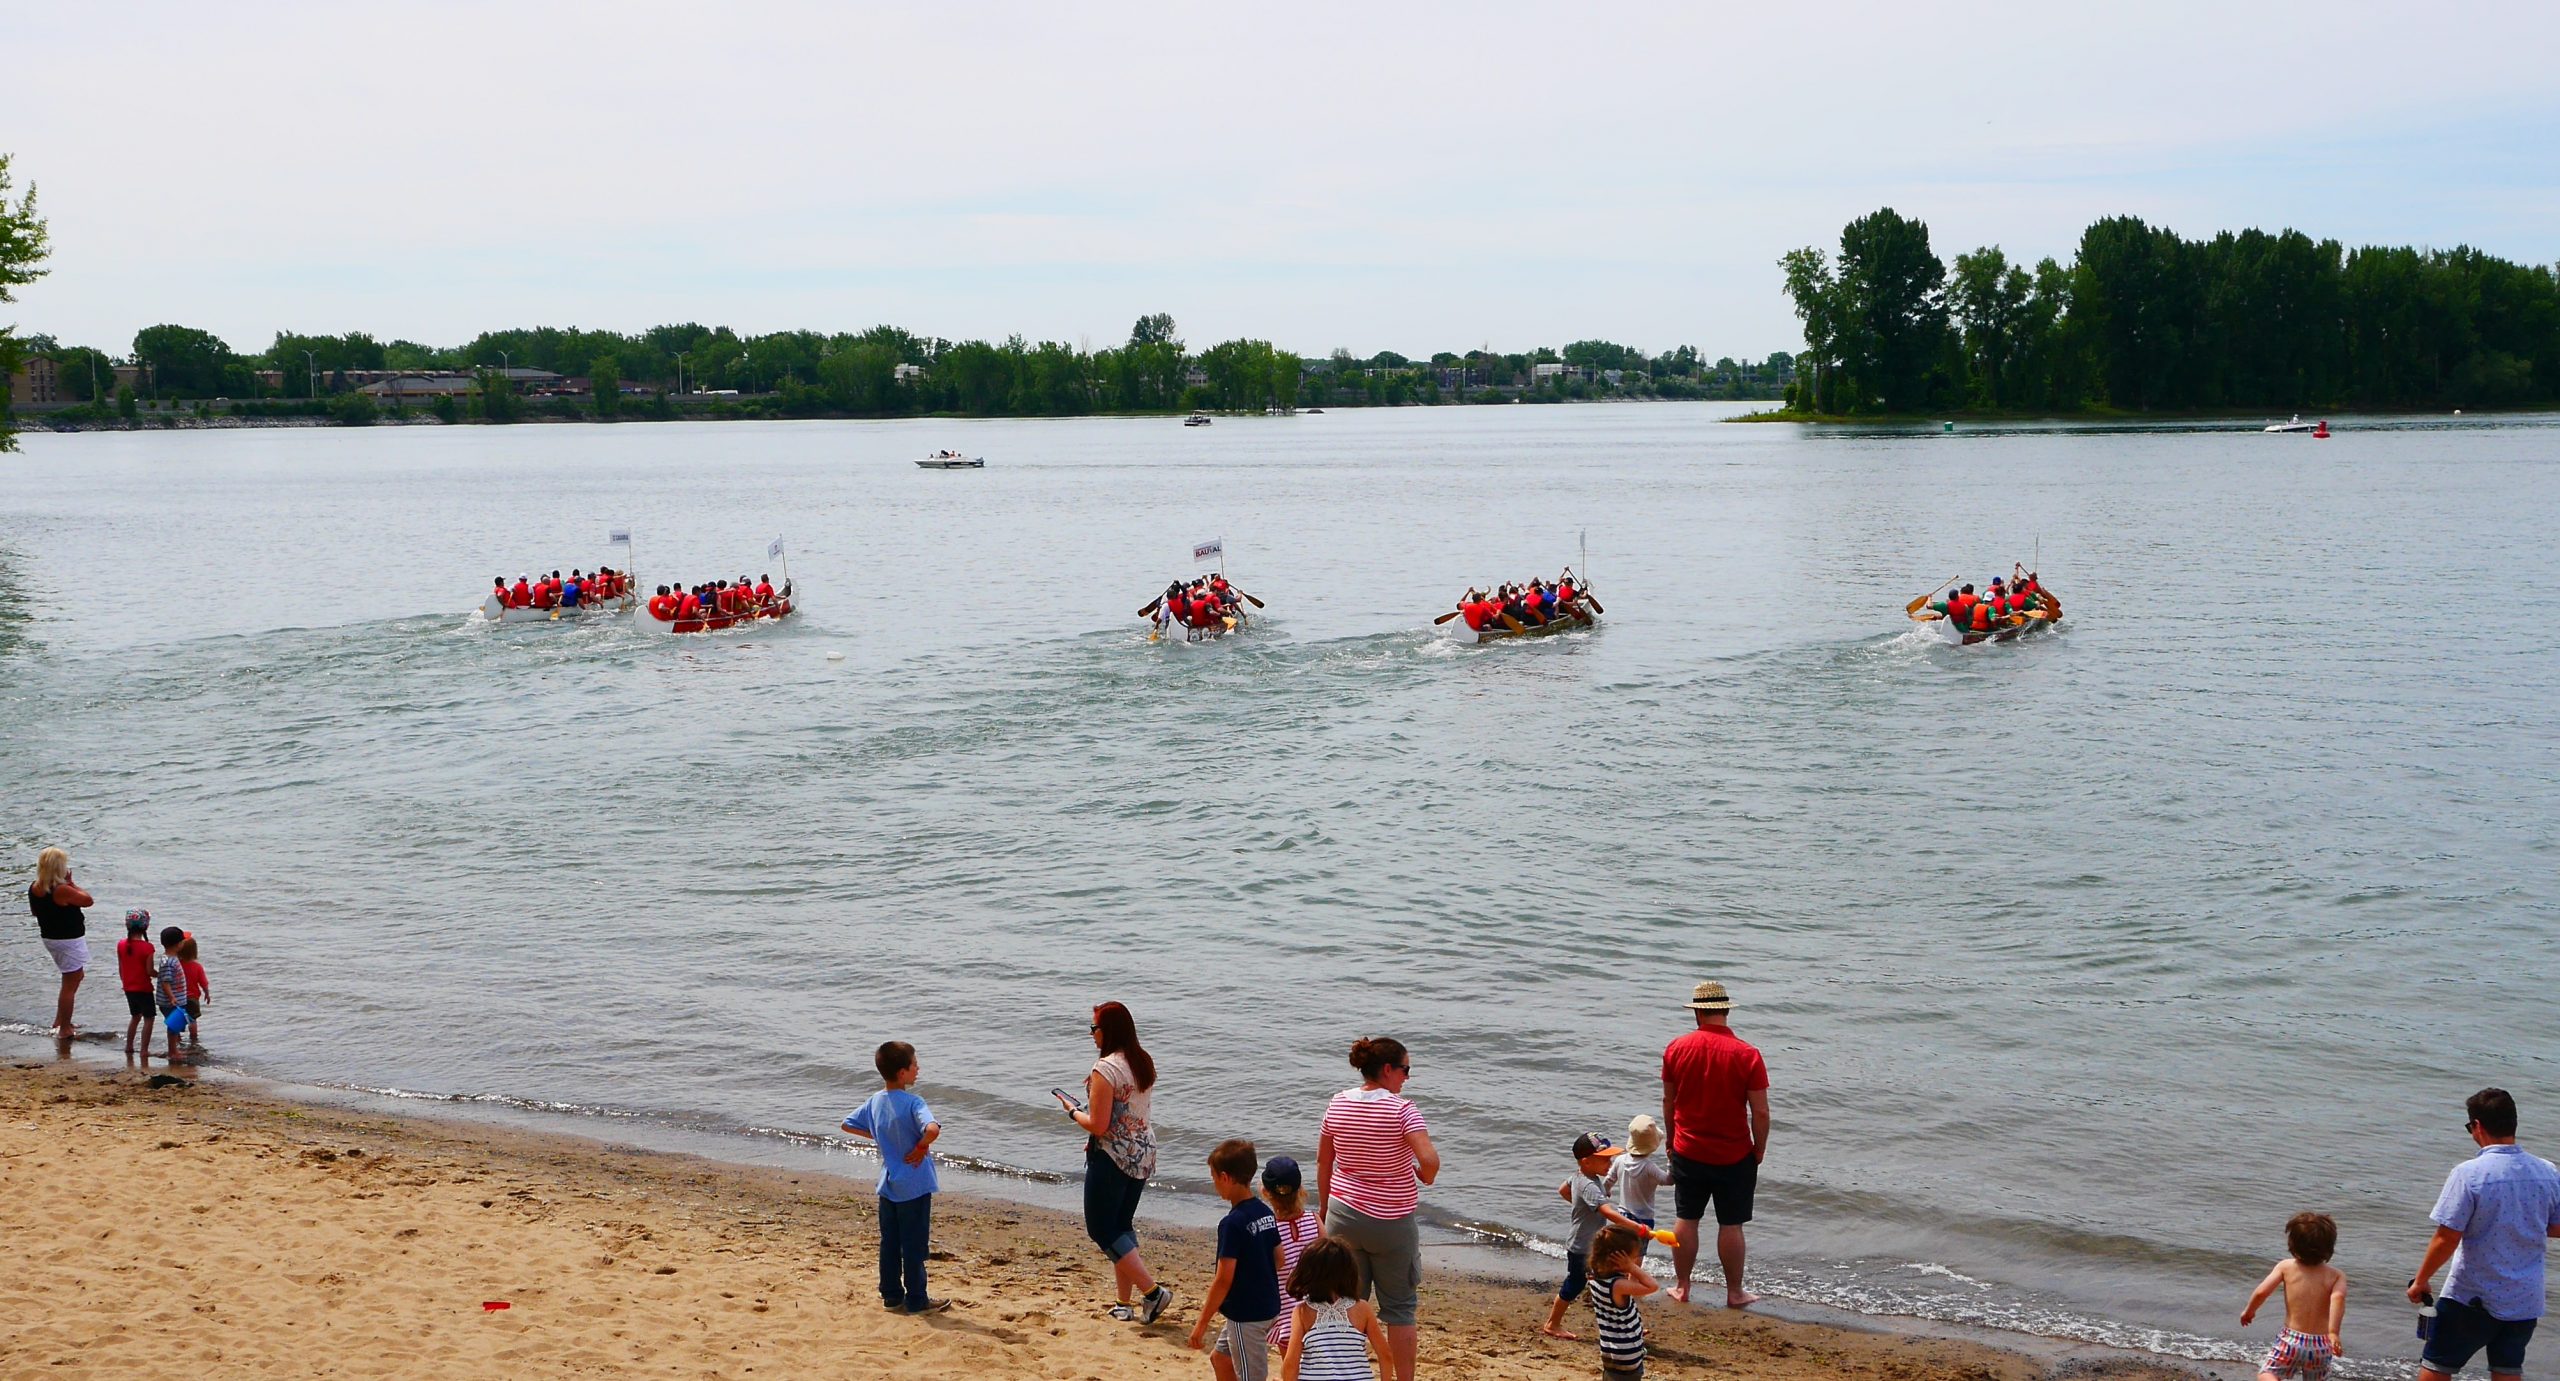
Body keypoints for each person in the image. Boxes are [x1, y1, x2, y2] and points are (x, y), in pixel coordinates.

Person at [2407, 1088, 2560, 1381]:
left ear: (2477, 1126)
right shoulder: (2547, 1171)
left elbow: (2447, 1237)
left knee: (2436, 1367)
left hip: (2473, 1296)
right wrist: (2522, 1221)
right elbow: (2557, 1226)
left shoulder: (2470, 1174)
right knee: (2507, 1371)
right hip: (2525, 1300)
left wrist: (2422, 1280)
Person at [1317, 1036, 1440, 1381]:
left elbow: (1325, 1162)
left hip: (1344, 1215)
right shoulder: (1403, 1109)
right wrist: (1422, 1176)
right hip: (1391, 1223)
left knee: (1346, 1302)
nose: (1406, 1078)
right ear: (1388, 1070)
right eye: (1405, 1070)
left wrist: (1326, 1210)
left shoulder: (1338, 1103)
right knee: (1400, 1311)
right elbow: (1429, 1161)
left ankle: (1343, 1373)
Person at [1058, 1002, 1174, 1325]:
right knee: (1121, 1226)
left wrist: (1070, 1110)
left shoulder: (1106, 1069)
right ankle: (1124, 1303)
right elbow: (1126, 1113)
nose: (1092, 1034)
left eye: (1094, 1028)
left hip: (1113, 1156)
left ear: (1108, 1031)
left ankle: (1152, 1292)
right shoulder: (1141, 1061)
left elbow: (1098, 1123)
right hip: (1142, 1151)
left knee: (1101, 1228)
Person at [1660, 980, 1768, 1308]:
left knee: (1687, 1218)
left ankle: (1682, 1287)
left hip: (1688, 1149)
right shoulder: (1748, 1054)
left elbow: (1669, 1101)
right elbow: (1760, 1111)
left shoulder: (1676, 1048)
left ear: (1698, 1014)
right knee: (1731, 1224)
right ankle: (1735, 1292)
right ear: (1724, 1011)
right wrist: (1759, 1148)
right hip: (1735, 1154)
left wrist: (1671, 1142)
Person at [840, 1040, 946, 1314]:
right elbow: (932, 1129)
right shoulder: (914, 1102)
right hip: (914, 1183)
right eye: (914, 1065)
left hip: (888, 1184)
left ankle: (891, 1295)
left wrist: (878, 1135)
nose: (918, 1068)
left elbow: (847, 1124)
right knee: (913, 1244)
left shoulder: (875, 1101)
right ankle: (917, 1299)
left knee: (890, 1242)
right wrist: (921, 1146)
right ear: (902, 1073)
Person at [1192, 1139, 1285, 1381]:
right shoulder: (1265, 1212)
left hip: (1248, 1315)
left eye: (1213, 1179)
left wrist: (1201, 1324)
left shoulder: (1232, 1223)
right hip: (1268, 1304)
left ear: (1225, 1177)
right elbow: (1280, 1258)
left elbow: (1223, 1280)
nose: (1214, 1186)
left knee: (1252, 1376)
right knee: (1220, 1359)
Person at [1544, 1133, 1647, 1340]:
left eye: (1610, 1158)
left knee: (1609, 1281)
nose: (1610, 1163)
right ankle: (1552, 1324)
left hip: (1590, 1245)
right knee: (1575, 1284)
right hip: (1582, 1248)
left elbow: (1563, 1190)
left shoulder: (1580, 1177)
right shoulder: (1589, 1185)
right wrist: (1635, 1227)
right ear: (1586, 1161)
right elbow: (1608, 1212)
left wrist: (1581, 1208)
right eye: (1605, 1159)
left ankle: (1623, 1324)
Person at [2242, 1212, 2346, 1381]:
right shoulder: (2336, 1275)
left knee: (2268, 1373)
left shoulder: (2285, 1267)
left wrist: (2249, 1311)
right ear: (2330, 1247)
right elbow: (2338, 1299)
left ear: (2292, 1244)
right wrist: (2333, 1332)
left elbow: (2262, 1291)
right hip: (2321, 1344)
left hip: (2291, 1339)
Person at [1280, 1236, 1395, 1381]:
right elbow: (1385, 1355)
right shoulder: (1363, 1309)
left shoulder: (1303, 1312)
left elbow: (1291, 1363)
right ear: (1350, 1272)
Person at [28, 847, 93, 1038]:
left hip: (51, 937)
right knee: (70, 983)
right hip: (68, 939)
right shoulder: (62, 889)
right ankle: (65, 1028)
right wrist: (73, 884)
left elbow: (34, 912)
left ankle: (61, 1020)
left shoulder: (35, 887)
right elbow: (88, 901)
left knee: (74, 977)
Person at [1584, 1224, 1660, 1381]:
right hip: (1627, 1353)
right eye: (1632, 1258)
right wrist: (1632, 1268)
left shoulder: (1595, 1278)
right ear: (1619, 1260)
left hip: (1609, 1349)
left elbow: (1615, 1315)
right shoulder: (1618, 1285)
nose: (1635, 1262)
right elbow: (1653, 1286)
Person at [1266, 1156, 1322, 1357]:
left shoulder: (1271, 1230)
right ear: (1301, 1190)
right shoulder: (1314, 1220)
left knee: (1291, 1367)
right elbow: (1330, 1261)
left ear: (1265, 1192)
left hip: (1286, 1315)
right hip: (1317, 1310)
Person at [1609, 1117, 1672, 1260]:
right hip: (1643, 1220)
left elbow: (1609, 1179)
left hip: (1623, 1217)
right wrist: (1671, 1162)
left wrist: (1606, 1190)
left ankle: (1622, 1278)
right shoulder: (1649, 1167)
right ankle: (1634, 1280)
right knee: (1637, 1256)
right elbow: (1668, 1180)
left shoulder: (1620, 1160)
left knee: (1622, 1253)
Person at [116, 910, 156, 1055]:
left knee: (135, 1017)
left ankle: (129, 1046)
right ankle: (144, 1050)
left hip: (128, 987)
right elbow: (149, 971)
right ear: (145, 927)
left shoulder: (121, 944)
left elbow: (121, 967)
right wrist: (161, 975)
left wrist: (125, 982)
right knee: (149, 1018)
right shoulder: (148, 947)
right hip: (144, 988)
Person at [154, 925, 188, 1062]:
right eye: (182, 941)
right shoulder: (168, 961)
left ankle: (174, 1049)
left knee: (176, 1025)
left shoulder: (170, 958)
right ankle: (172, 1051)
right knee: (173, 1027)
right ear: (178, 944)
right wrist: (172, 997)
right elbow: (165, 982)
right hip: (170, 1001)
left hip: (175, 999)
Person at [176, 931, 208, 1049]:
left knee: (178, 1018)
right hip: (192, 997)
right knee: (192, 1019)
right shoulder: (197, 967)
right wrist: (207, 993)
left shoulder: (176, 964)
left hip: (178, 996)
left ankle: (177, 1038)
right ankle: (193, 1038)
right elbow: (203, 982)